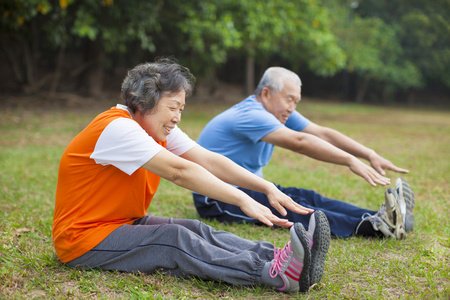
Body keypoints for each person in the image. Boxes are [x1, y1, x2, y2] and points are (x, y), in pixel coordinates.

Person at [52, 58, 332, 294]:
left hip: (119, 222)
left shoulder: (154, 128)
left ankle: (279, 257)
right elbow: (179, 171)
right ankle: (274, 274)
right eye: (172, 107)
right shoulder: (117, 128)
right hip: (82, 240)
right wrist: (240, 198)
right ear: (144, 102)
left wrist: (265, 186)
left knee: (195, 229)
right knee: (173, 238)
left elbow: (208, 159)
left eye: (181, 109)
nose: (177, 118)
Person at [193, 66, 416, 239]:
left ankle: (381, 217)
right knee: (295, 208)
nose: (292, 107)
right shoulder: (251, 115)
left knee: (307, 197)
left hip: (248, 186)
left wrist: (369, 154)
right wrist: (349, 160)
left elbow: (322, 133)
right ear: (267, 93)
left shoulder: (277, 111)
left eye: (296, 101)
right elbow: (300, 142)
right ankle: (374, 227)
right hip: (216, 197)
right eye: (289, 99)